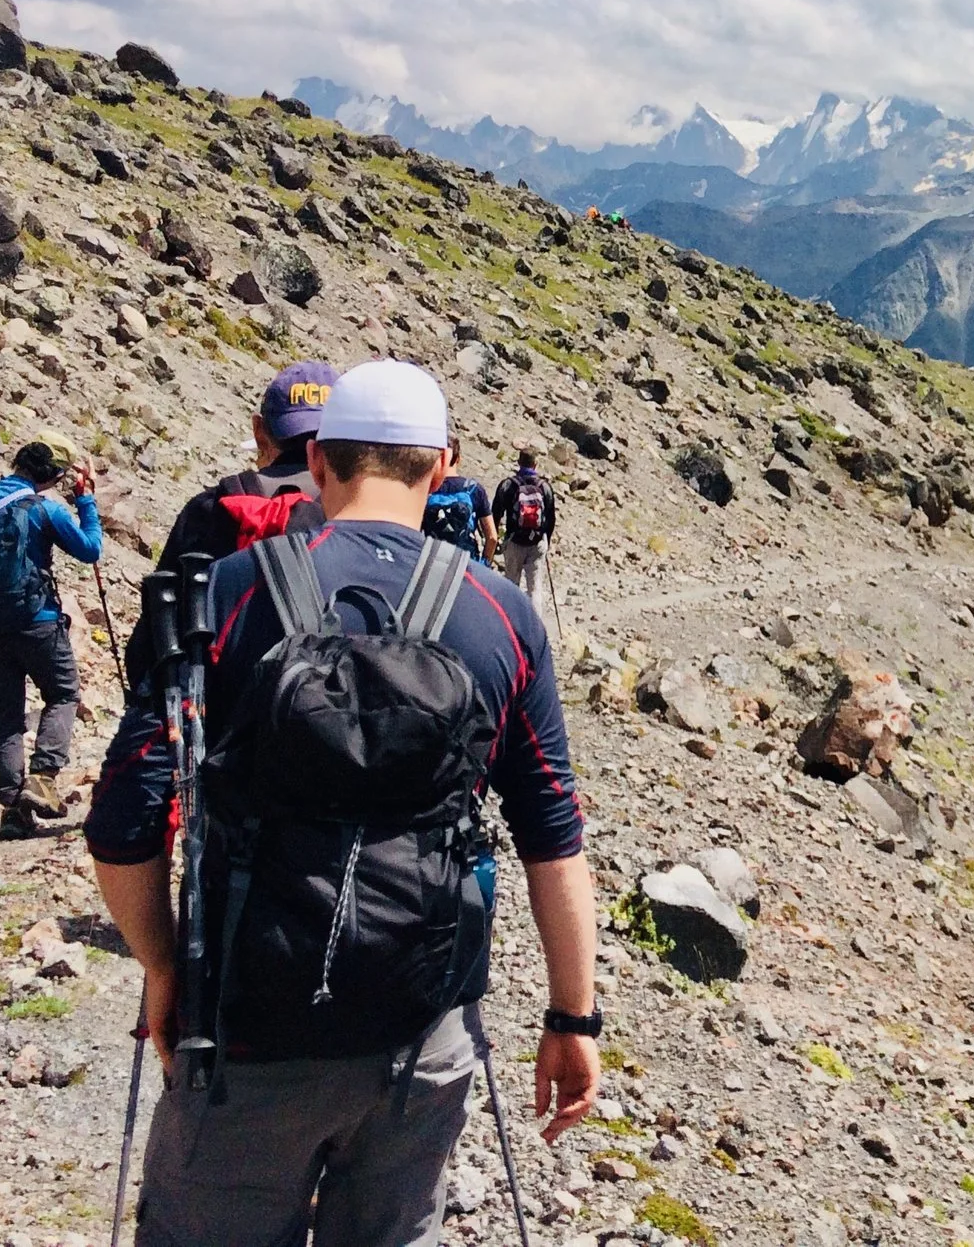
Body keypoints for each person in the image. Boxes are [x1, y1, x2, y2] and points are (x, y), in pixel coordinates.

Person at [86, 359, 599, 1246]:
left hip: (247, 1026)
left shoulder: (229, 591)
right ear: (445, 466)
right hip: (421, 1028)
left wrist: (166, 969)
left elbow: (125, 817)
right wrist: (571, 1015)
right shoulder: (501, 614)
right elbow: (553, 836)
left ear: (318, 459)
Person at [135, 361, 338, 692]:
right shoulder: (350, 515)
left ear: (259, 431)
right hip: (318, 707)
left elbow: (152, 635)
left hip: (214, 705)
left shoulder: (209, 509)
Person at [0, 437, 103, 836]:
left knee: (5, 715)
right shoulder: (46, 509)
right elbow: (90, 550)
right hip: (37, 621)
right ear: (53, 476)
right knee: (63, 693)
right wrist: (85, 500)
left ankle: (13, 809)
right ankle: (43, 777)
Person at [492, 449, 557, 600]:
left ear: (519, 462)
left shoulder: (508, 485)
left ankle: (510, 615)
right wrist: (546, 541)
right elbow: (551, 518)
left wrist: (494, 540)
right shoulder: (544, 487)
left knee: (511, 585)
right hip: (537, 542)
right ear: (535, 464)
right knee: (534, 588)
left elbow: (496, 513)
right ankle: (534, 616)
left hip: (514, 540)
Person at [422, 438, 497, 560]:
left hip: (431, 558)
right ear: (458, 459)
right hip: (464, 561)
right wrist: (485, 563)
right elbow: (492, 537)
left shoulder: (426, 488)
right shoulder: (474, 489)